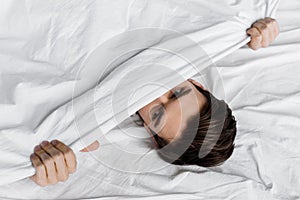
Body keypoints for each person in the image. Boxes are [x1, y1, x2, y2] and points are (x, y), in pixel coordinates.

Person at [29, 17, 279, 187]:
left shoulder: (97, 120)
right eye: (177, 93)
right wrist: (256, 25)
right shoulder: (199, 43)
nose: (156, 90)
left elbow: (68, 136)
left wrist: (46, 165)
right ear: (197, 83)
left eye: (157, 114)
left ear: (149, 131)